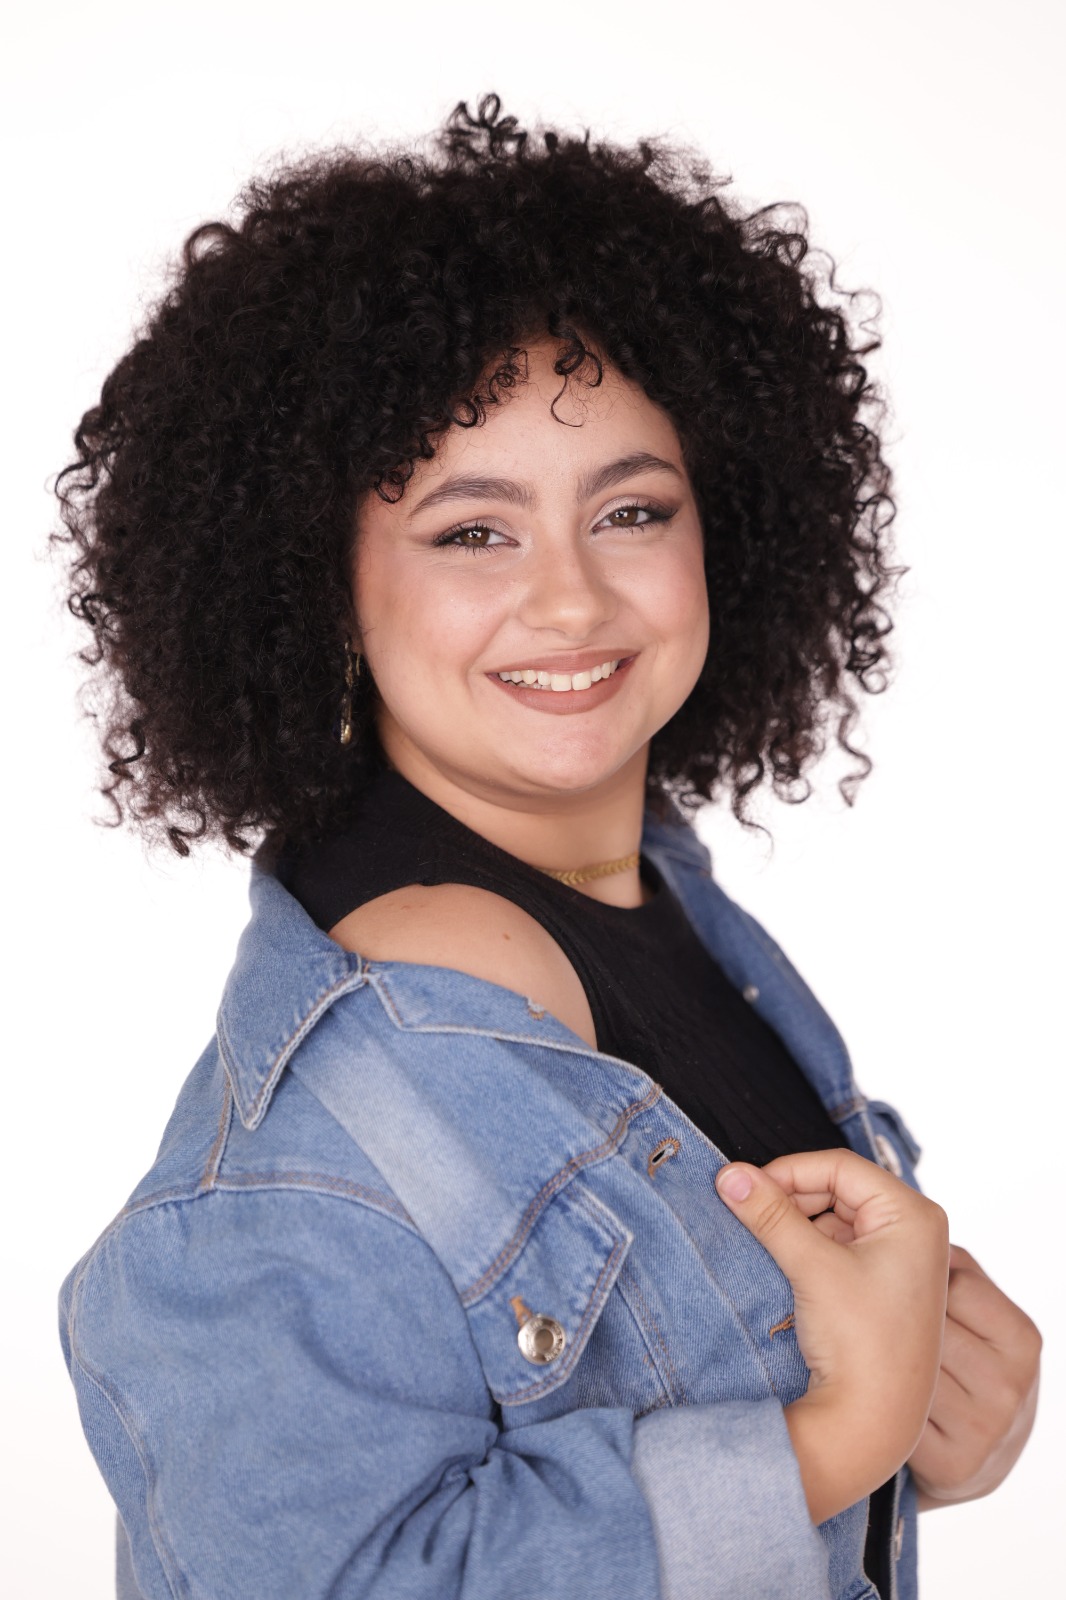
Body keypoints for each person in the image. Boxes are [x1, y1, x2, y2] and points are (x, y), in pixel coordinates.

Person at [54, 97, 1040, 1600]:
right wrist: (832, 1441)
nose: (572, 601)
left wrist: (923, 1436)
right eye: (473, 531)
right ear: (320, 582)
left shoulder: (666, 897)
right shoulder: (340, 1092)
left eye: (630, 510)